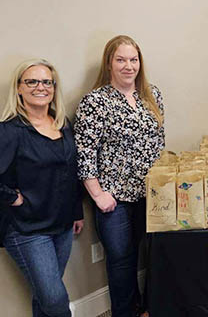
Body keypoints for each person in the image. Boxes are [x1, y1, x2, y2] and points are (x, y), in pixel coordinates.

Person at [74, 35, 165, 317]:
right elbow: (84, 152)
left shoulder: (152, 96)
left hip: (150, 196)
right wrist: (98, 194)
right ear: (109, 63)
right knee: (122, 261)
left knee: (154, 257)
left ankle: (147, 309)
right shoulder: (95, 102)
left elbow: (159, 143)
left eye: (133, 59)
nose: (129, 66)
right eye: (121, 60)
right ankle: (125, 312)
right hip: (115, 200)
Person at [0, 59, 84, 317]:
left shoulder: (62, 124)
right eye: (32, 81)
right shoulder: (10, 130)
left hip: (62, 225)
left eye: (47, 82)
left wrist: (77, 211)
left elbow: (70, 172)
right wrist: (13, 198)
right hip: (27, 229)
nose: (41, 87)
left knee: (44, 296)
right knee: (55, 299)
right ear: (19, 88)